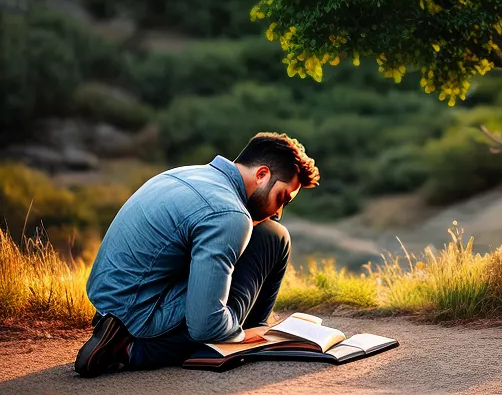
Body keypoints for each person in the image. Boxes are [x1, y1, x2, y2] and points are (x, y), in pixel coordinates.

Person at [75, 132, 319, 376]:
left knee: (267, 229)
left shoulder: (185, 174)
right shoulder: (229, 214)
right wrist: (239, 334)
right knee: (273, 236)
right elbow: (206, 325)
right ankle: (128, 350)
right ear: (262, 175)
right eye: (282, 198)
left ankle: (253, 331)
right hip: (141, 315)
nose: (279, 212)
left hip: (112, 303)